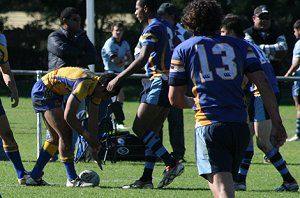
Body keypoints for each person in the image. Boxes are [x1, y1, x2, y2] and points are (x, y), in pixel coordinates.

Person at [168, 0, 288, 197]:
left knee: (222, 188)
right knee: (220, 183)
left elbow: (175, 99)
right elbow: (263, 84)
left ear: (189, 21)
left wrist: (194, 102)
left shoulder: (183, 49)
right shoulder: (243, 46)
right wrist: (277, 122)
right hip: (240, 126)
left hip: (210, 125)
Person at [107, 0, 184, 189]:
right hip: (170, 81)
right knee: (153, 132)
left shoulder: (153, 27)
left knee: (139, 127)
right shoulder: (167, 26)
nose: (135, 12)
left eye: (137, 8)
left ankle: (171, 162)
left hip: (159, 80)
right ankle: (146, 179)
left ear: (146, 8)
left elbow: (142, 59)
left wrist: (119, 78)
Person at [220, 14, 299, 192]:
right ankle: (240, 181)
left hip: (261, 94)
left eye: (223, 32)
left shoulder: (239, 47)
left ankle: (289, 181)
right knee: (248, 139)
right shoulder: (248, 45)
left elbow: (245, 78)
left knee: (263, 142)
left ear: (232, 31)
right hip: (261, 93)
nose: (221, 35)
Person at [26, 67, 121, 187]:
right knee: (65, 133)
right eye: (106, 95)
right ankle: (72, 179)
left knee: (55, 138)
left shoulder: (97, 89)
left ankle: (34, 176)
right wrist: (86, 135)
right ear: (102, 86)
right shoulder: (84, 83)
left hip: (52, 93)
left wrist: (93, 146)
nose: (105, 98)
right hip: (44, 90)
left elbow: (93, 119)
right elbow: (69, 116)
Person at [46, 7, 97, 161]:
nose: (79, 23)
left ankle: (69, 154)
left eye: (80, 20)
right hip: (57, 87)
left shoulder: (81, 36)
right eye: (75, 19)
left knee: (75, 121)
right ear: (64, 21)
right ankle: (51, 156)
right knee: (57, 124)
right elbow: (64, 53)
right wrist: (80, 54)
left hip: (76, 86)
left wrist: (77, 55)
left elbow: (93, 56)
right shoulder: (54, 36)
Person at [157, 2, 191, 162]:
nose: (160, 18)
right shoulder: (158, 27)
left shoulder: (183, 32)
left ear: (171, 16)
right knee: (157, 119)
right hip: (161, 78)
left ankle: (178, 153)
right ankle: (158, 152)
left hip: (176, 77)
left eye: (163, 15)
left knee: (175, 118)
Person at [0, 18, 27, 184]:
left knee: (7, 135)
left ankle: (22, 174)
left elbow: (5, 69)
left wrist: (14, 89)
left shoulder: (1, 43)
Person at [101, 21, 133, 130]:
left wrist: (123, 60)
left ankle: (116, 121)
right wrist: (124, 60)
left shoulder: (125, 43)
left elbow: (131, 59)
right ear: (112, 31)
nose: (118, 32)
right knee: (116, 96)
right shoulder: (109, 43)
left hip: (120, 74)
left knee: (118, 98)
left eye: (120, 30)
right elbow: (115, 60)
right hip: (110, 74)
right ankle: (115, 121)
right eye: (116, 30)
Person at [244, 5, 288, 76]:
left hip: (274, 76)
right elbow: (250, 50)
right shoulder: (246, 33)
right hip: (253, 77)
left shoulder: (277, 33)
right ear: (254, 18)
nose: (265, 20)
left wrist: (259, 50)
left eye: (267, 18)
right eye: (261, 17)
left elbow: (283, 49)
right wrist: (273, 55)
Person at [285, 20, 300, 142]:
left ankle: (299, 133)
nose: (294, 34)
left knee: (299, 105)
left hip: (298, 77)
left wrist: (288, 74)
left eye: (295, 31)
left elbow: (297, 61)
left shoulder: (299, 43)